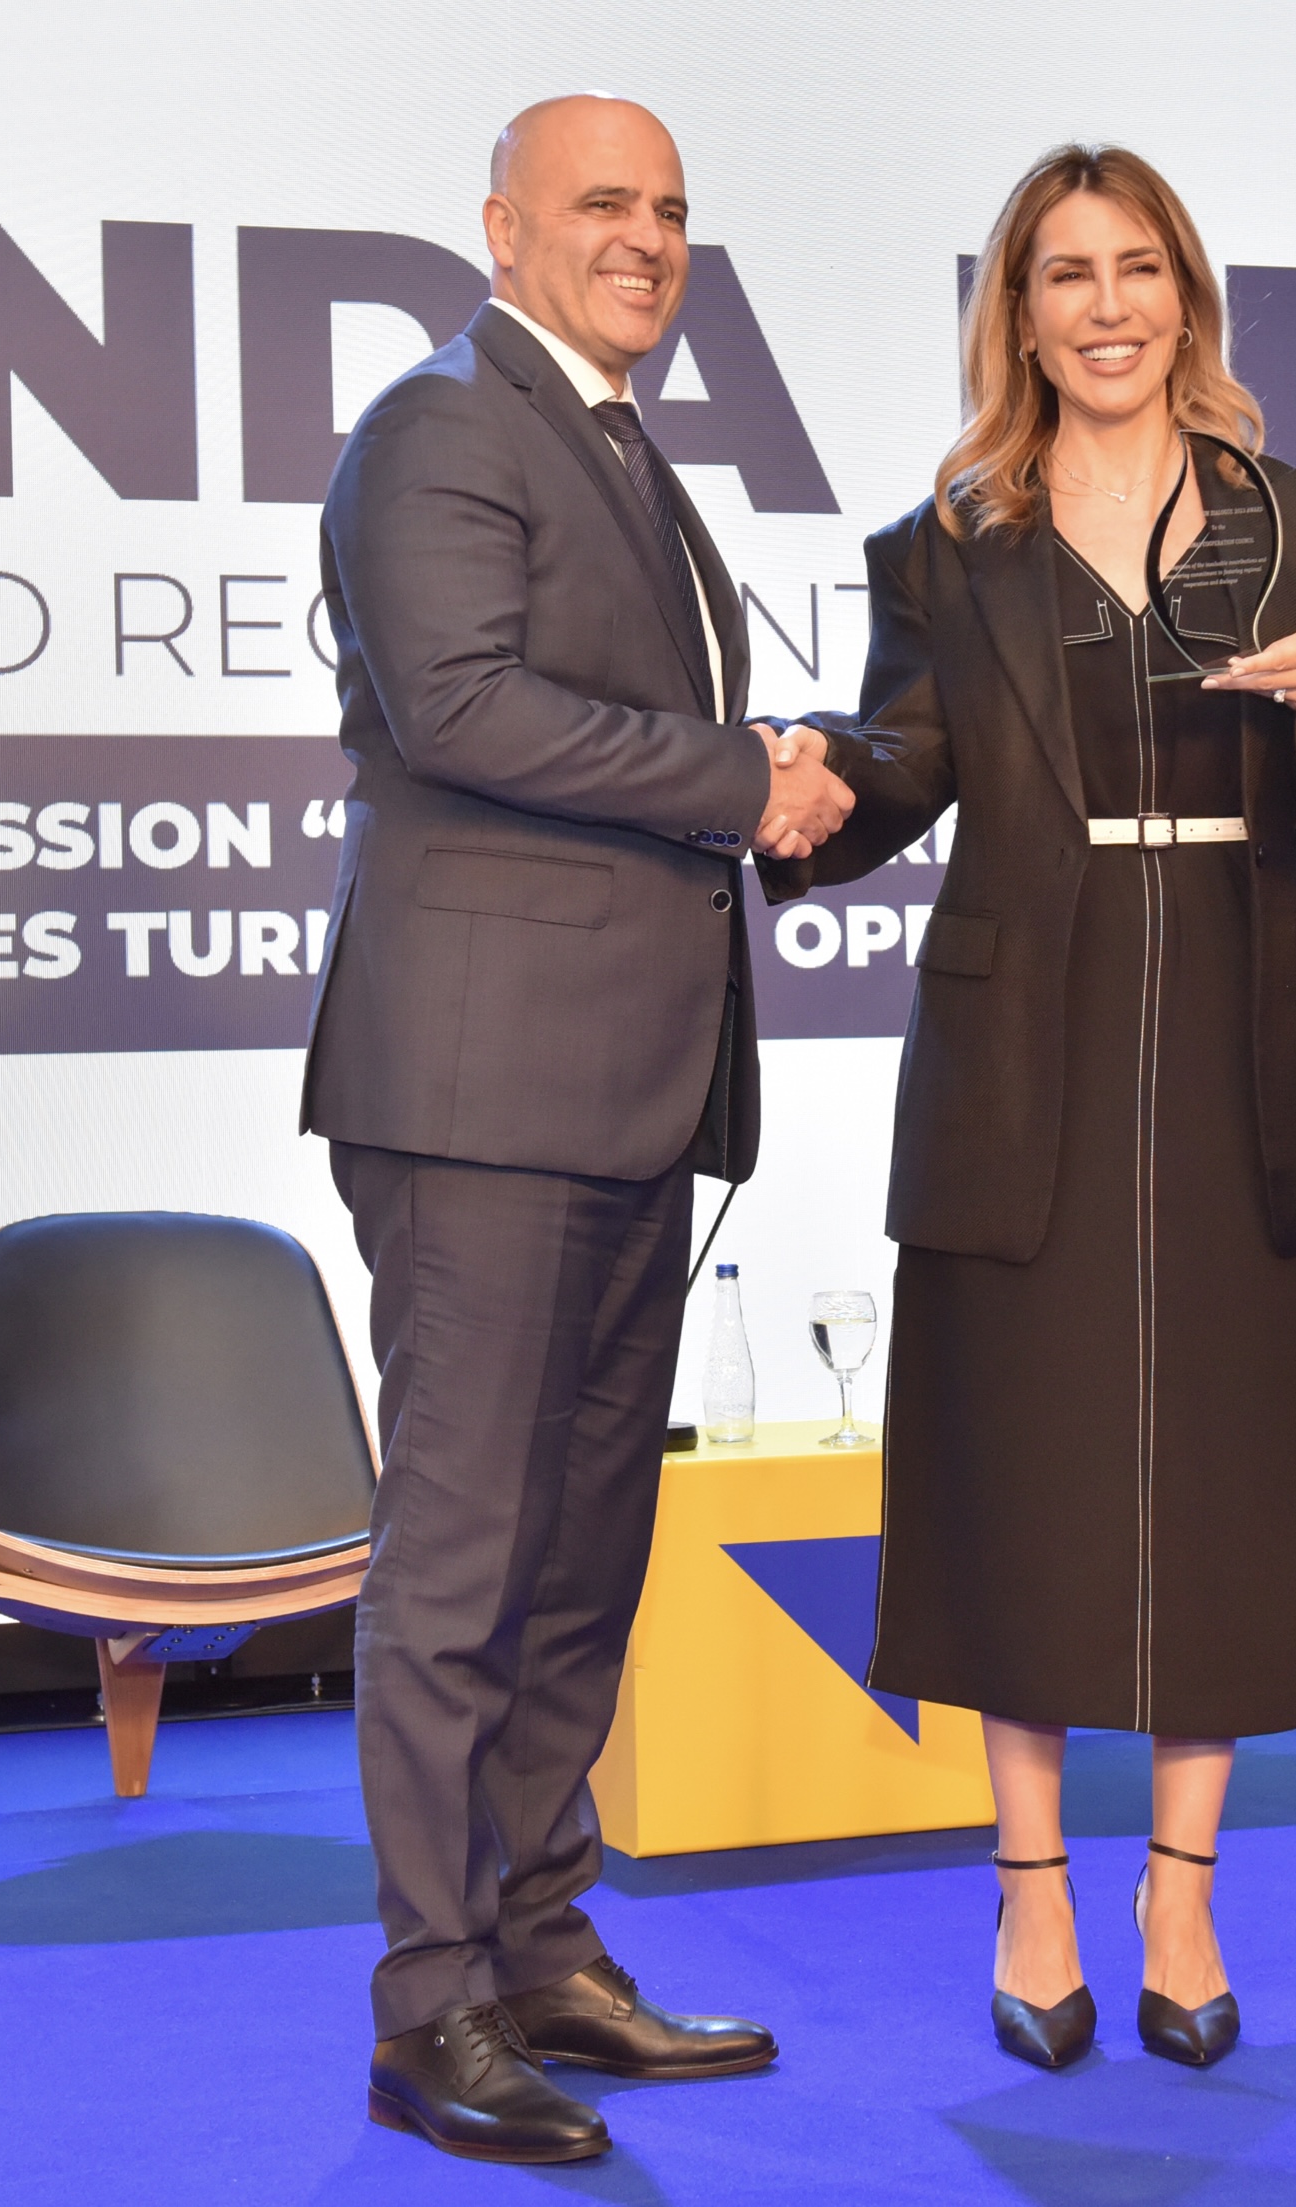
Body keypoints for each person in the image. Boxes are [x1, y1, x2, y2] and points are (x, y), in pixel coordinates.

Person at [769, 143, 1296, 2070]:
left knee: (1227, 1460)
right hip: (1023, 1031)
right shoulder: (949, 540)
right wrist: (792, 790)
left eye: (1139, 270)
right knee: (1016, 1467)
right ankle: (1034, 1884)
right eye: (1068, 275)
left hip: (1239, 1019)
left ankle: (1186, 1890)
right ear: (1020, 315)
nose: (1108, 306)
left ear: (1186, 300)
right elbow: (902, 767)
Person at [302, 93, 854, 2165]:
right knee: (459, 1565)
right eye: (602, 205)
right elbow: (461, 709)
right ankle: (428, 2004)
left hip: (621, 1091)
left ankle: (544, 1952)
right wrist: (744, 777)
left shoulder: (620, 446)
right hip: (478, 1090)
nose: (645, 240)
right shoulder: (446, 422)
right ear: (501, 228)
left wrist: (816, 781)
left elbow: (630, 750)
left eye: (673, 212)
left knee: (573, 1568)